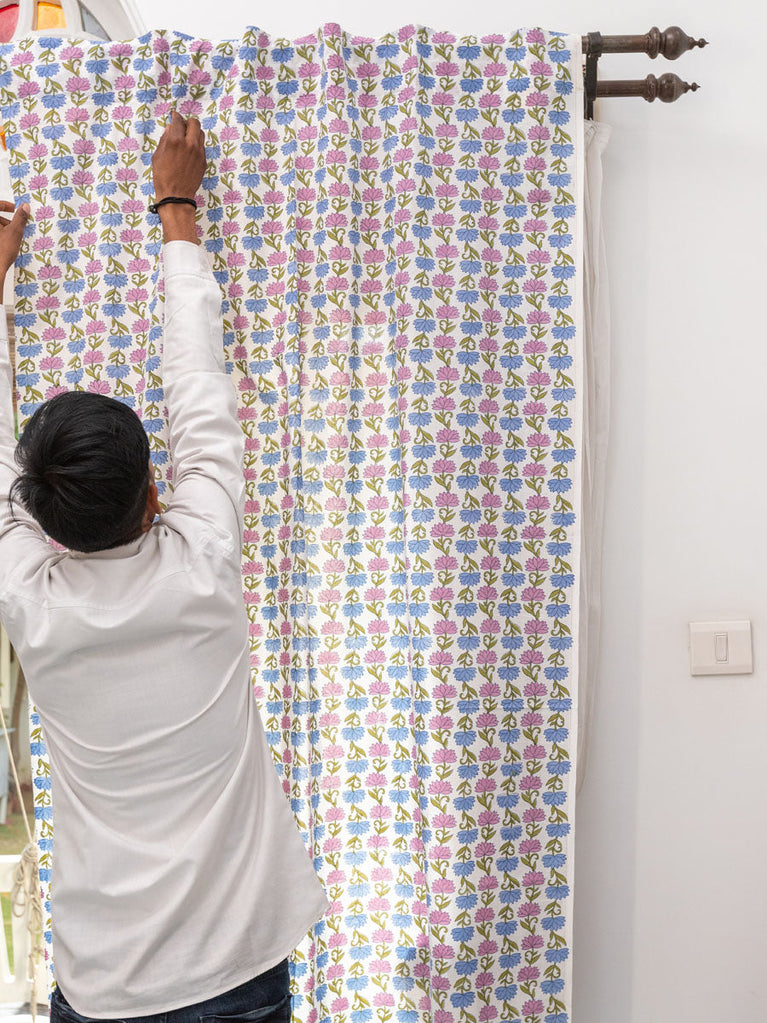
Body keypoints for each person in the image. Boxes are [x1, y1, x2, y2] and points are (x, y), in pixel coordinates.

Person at [0, 112, 329, 1022]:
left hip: (104, 983)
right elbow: (199, 389)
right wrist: (175, 206)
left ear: (35, 513)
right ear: (156, 493)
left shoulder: (29, 597)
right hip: (234, 968)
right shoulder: (200, 561)